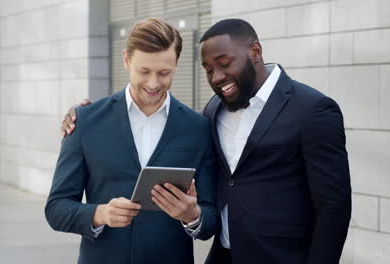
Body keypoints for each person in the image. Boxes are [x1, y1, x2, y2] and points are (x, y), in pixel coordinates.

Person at [61, 18, 352, 264]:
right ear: (126, 60)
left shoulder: (313, 109)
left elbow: (334, 205)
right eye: (208, 69)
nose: (217, 76)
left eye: (224, 64)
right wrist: (83, 117)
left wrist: (193, 215)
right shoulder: (213, 112)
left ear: (255, 51)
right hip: (223, 256)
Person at [45, 17, 218, 264]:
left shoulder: (198, 128)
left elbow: (210, 218)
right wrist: (100, 213)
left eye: (164, 72)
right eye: (144, 71)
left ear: (176, 65)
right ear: (126, 60)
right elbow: (56, 209)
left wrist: (193, 214)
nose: (153, 83)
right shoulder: (85, 122)